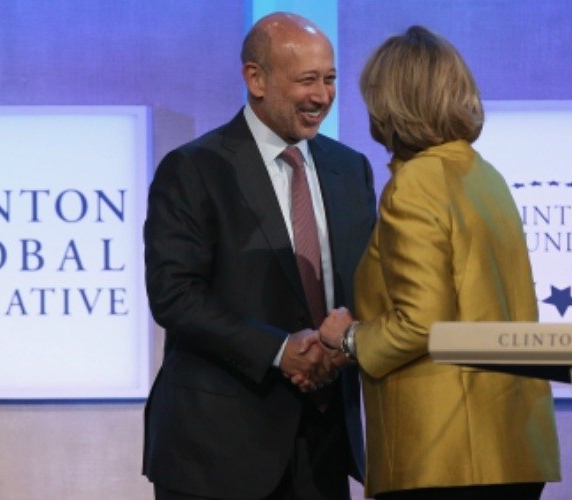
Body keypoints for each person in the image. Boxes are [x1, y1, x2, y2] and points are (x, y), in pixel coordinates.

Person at [318, 26, 561, 500]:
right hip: (512, 447)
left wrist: (347, 339)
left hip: (442, 455)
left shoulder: (416, 184)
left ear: (389, 103)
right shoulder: (485, 176)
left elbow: (422, 323)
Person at [142, 11, 375, 500]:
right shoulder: (194, 169)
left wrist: (343, 341)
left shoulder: (350, 169)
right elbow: (174, 295)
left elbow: (368, 284)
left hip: (324, 446)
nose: (322, 96)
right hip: (216, 451)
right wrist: (278, 349)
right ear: (256, 79)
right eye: (307, 80)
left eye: (330, 79)